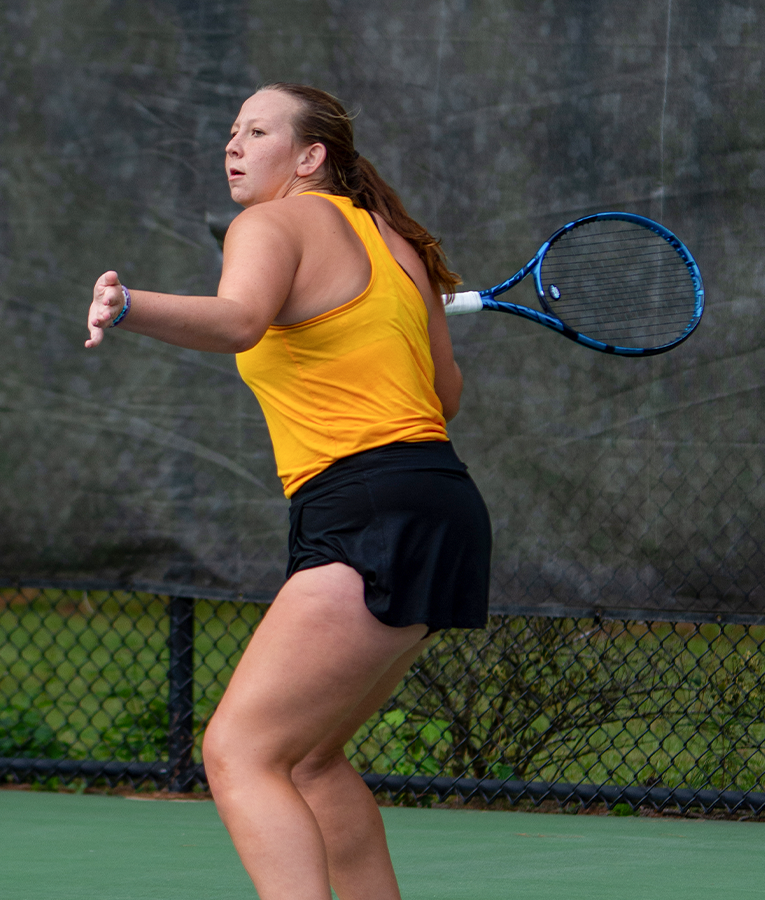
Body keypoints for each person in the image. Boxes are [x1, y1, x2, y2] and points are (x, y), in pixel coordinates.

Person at [84, 83, 491, 900]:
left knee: (240, 751)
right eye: (232, 131)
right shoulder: (398, 245)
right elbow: (445, 395)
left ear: (310, 158)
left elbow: (238, 319)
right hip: (437, 502)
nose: (233, 145)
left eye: (258, 131)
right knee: (308, 759)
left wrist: (128, 304)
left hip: (366, 501)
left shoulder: (267, 223)